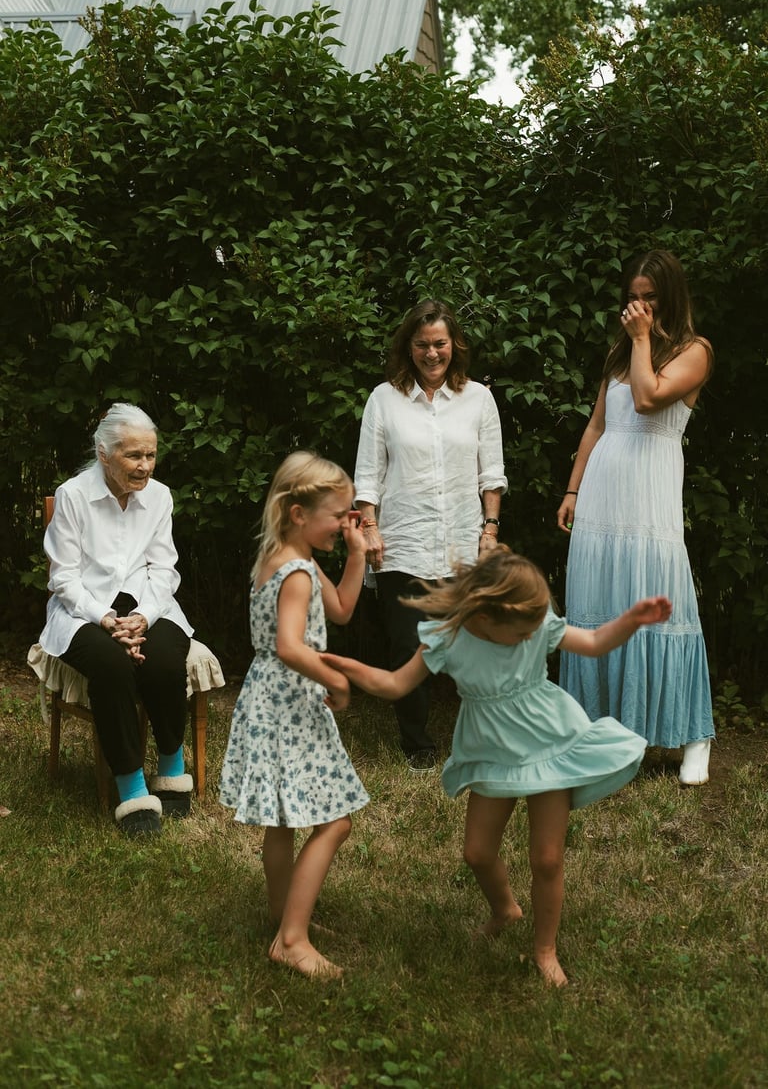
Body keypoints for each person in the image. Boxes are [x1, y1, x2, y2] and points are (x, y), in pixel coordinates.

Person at [322, 546, 671, 987]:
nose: (531, 637)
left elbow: (596, 643)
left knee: (547, 859)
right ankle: (505, 909)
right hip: (490, 754)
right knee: (477, 853)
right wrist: (341, 664)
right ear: (484, 617)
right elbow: (394, 685)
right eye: (522, 632)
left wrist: (632, 620)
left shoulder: (535, 624)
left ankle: (545, 949)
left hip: (550, 746)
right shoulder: (447, 638)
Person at [556, 250, 715, 786]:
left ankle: (695, 735)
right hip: (603, 495)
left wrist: (644, 339)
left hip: (650, 498)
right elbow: (598, 426)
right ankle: (603, 732)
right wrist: (574, 488)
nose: (639, 306)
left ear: (669, 297)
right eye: (634, 297)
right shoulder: (620, 354)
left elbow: (648, 402)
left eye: (650, 297)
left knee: (659, 604)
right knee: (600, 607)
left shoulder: (695, 351)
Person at [219, 451, 370, 979]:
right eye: (341, 515)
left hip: (268, 699)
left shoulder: (281, 558)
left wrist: (356, 555)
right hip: (290, 703)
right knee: (336, 820)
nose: (348, 523)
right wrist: (336, 679)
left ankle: (285, 916)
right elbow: (289, 645)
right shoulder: (299, 572)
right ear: (298, 513)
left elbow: (344, 611)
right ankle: (292, 939)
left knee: (282, 820)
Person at [354, 299, 507, 772]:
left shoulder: (479, 398)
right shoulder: (384, 398)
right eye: (422, 344)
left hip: (464, 542)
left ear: (453, 345)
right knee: (408, 647)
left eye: (440, 343)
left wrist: (490, 528)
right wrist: (371, 527)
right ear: (409, 348)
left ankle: (480, 741)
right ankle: (418, 746)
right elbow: (367, 475)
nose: (432, 353)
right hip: (403, 541)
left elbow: (492, 472)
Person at [39, 403, 196, 837]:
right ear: (103, 453)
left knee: (165, 657)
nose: (144, 466)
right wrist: (106, 620)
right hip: (83, 608)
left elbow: (164, 569)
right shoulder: (73, 495)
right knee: (111, 665)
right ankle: (131, 787)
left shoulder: (159, 496)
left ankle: (171, 767)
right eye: (133, 456)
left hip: (147, 602)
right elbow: (64, 578)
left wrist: (143, 617)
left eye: (150, 455)